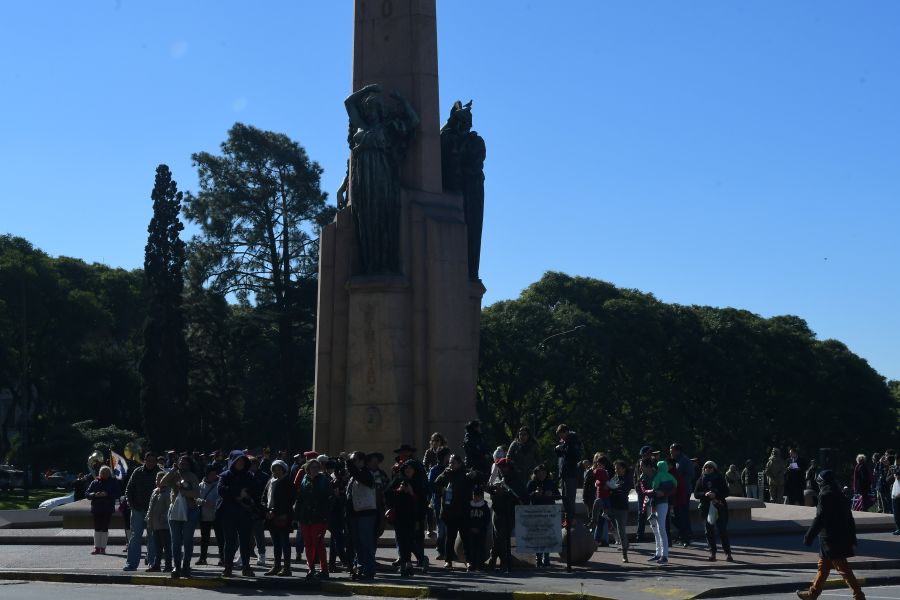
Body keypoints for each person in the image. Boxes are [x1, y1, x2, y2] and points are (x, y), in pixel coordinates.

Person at [796, 469, 866, 600]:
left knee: (842, 568)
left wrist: (809, 536)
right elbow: (849, 517)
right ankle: (812, 594)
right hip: (839, 536)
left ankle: (859, 595)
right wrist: (852, 536)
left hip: (831, 538)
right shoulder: (839, 493)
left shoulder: (825, 495)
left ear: (822, 482)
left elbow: (820, 518)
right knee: (823, 567)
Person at [385, 459, 429, 577]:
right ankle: (406, 564)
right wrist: (398, 490)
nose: (408, 471)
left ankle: (412, 562)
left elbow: (422, 501)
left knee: (410, 540)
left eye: (411, 469)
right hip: (399, 516)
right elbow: (387, 494)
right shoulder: (398, 480)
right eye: (406, 468)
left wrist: (411, 492)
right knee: (401, 540)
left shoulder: (418, 482)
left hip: (413, 517)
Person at [218, 450, 258, 577]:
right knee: (229, 542)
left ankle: (246, 567)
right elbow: (222, 491)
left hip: (245, 513)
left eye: (242, 460)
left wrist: (244, 497)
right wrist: (239, 494)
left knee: (245, 542)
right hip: (228, 514)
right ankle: (228, 567)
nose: (240, 463)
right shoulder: (225, 476)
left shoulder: (249, 476)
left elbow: (254, 492)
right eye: (238, 460)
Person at [160, 454, 201, 578]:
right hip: (175, 510)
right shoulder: (174, 474)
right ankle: (176, 566)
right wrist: (172, 470)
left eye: (185, 463)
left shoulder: (192, 476)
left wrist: (181, 491)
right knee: (176, 541)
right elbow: (162, 483)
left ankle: (186, 565)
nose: (182, 465)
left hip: (190, 510)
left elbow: (196, 493)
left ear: (189, 465)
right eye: (180, 462)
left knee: (187, 539)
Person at [433, 453, 476, 570]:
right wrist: (441, 490)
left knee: (466, 538)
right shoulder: (446, 474)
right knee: (450, 538)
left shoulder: (466, 473)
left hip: (463, 511)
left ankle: (469, 561)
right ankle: (448, 560)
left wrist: (475, 474)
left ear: (460, 463)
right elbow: (435, 485)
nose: (451, 465)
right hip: (449, 512)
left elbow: (480, 479)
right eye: (450, 462)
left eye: (453, 463)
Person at [488, 457, 527, 573]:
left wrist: (505, 494)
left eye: (503, 467)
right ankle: (495, 559)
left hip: (509, 513)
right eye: (499, 467)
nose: (501, 469)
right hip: (498, 511)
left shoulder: (516, 480)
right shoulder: (501, 479)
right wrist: (494, 491)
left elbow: (521, 498)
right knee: (496, 538)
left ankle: (504, 562)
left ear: (509, 468)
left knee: (503, 538)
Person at [296, 459, 333, 579]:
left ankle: (324, 569)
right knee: (308, 544)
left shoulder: (324, 481)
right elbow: (300, 499)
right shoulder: (304, 480)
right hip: (305, 517)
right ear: (308, 469)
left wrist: (325, 516)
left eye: (317, 467)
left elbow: (329, 500)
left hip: (319, 517)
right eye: (313, 467)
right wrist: (297, 515)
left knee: (319, 544)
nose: (315, 469)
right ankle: (310, 568)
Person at [123, 452, 160, 571]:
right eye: (148, 460)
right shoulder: (137, 472)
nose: (150, 463)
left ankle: (153, 563)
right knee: (135, 537)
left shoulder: (161, 473)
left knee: (152, 538)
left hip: (154, 511)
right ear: (144, 460)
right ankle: (131, 564)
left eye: (153, 461)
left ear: (156, 462)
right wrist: (132, 505)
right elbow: (128, 490)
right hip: (137, 510)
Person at [346, 451, 378, 581]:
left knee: (366, 543)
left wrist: (347, 462)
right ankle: (360, 567)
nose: (355, 463)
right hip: (355, 513)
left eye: (357, 460)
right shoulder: (353, 476)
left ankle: (369, 570)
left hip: (366, 514)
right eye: (353, 461)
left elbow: (359, 475)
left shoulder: (367, 474)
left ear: (363, 461)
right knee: (358, 543)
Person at [695, 461, 733, 562]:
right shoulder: (701, 479)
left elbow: (726, 492)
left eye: (710, 467)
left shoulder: (719, 478)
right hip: (706, 507)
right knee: (709, 531)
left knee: (722, 530)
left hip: (719, 506)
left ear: (714, 469)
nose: (708, 469)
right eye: (706, 467)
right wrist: (705, 494)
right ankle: (712, 553)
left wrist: (716, 493)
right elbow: (696, 494)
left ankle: (728, 553)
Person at [264, 460, 296, 576]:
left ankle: (287, 567)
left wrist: (276, 511)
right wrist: (267, 511)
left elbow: (290, 500)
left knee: (284, 542)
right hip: (271, 516)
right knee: (276, 542)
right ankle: (276, 566)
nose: (276, 471)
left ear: (283, 469)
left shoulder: (287, 482)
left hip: (283, 516)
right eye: (274, 468)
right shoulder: (270, 481)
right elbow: (264, 497)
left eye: (278, 468)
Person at [644, 459, 676, 565]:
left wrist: (659, 492)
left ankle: (664, 555)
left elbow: (652, 488)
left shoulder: (657, 476)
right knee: (657, 529)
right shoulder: (668, 476)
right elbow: (674, 485)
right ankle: (659, 553)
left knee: (661, 529)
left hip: (660, 503)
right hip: (658, 502)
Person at [527, 464, 559, 567]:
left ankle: (547, 558)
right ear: (535, 474)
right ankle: (538, 558)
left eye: (544, 473)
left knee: (548, 535)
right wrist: (534, 494)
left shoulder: (551, 482)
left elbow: (558, 495)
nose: (542, 475)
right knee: (538, 536)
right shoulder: (532, 483)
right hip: (537, 512)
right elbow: (525, 496)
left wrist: (551, 494)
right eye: (539, 473)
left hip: (549, 512)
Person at [86, 466, 120, 555]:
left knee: (105, 528)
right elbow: (87, 493)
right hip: (96, 509)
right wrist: (95, 494)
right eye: (102, 472)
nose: (104, 474)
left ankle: (103, 548)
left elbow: (117, 494)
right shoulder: (94, 482)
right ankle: (96, 547)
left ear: (109, 473)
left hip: (107, 509)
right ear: (99, 473)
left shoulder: (113, 482)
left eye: (106, 472)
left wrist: (107, 494)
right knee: (97, 528)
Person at [554, 424, 583, 526]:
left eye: (561, 434)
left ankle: (572, 518)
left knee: (570, 498)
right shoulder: (565, 442)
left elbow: (575, 457)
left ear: (566, 432)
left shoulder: (573, 441)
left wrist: (563, 448)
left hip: (571, 473)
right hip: (564, 473)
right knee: (565, 497)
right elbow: (561, 458)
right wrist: (558, 449)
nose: (560, 437)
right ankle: (568, 518)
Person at [146, 471, 172, 573]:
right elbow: (150, 507)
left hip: (164, 524)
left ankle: (168, 565)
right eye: (157, 479)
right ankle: (156, 565)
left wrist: (163, 517)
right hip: (154, 524)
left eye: (161, 479)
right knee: (157, 546)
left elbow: (169, 508)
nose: (158, 481)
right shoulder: (155, 492)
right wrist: (148, 518)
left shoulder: (168, 492)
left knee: (166, 546)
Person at [669, 443, 695, 546]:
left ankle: (687, 536)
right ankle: (682, 534)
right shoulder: (674, 461)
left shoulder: (685, 460)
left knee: (683, 514)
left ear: (678, 451)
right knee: (676, 515)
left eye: (672, 451)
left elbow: (690, 475)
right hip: (675, 492)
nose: (670, 453)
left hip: (684, 492)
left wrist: (679, 482)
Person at [196, 465, 223, 566]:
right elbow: (195, 499)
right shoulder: (200, 485)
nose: (213, 476)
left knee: (220, 537)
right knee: (204, 538)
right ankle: (202, 558)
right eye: (211, 474)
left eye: (214, 474)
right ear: (206, 475)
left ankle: (222, 558)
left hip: (217, 515)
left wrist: (216, 503)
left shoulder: (220, 484)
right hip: (204, 516)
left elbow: (222, 497)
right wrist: (203, 502)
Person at [428, 447, 452, 560]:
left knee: (449, 529)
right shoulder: (435, 470)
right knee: (441, 529)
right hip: (439, 503)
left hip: (451, 504)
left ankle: (449, 551)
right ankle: (441, 551)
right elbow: (431, 485)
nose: (450, 457)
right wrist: (440, 490)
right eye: (448, 455)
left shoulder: (451, 468)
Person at [607, 459, 633, 563]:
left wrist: (612, 489)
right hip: (612, 507)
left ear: (623, 468)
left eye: (618, 468)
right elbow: (609, 488)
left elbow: (623, 491)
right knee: (617, 528)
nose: (616, 470)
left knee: (621, 530)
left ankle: (624, 554)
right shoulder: (614, 477)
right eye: (615, 468)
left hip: (622, 508)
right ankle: (625, 544)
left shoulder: (627, 479)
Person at [464, 486, 491, 572]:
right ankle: (471, 564)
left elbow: (486, 520)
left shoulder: (485, 507)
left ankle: (480, 565)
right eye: (474, 495)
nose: (475, 497)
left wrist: (480, 528)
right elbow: (466, 518)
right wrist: (470, 527)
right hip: (470, 530)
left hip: (481, 531)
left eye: (477, 496)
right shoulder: (469, 505)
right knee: (471, 548)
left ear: (481, 496)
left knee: (480, 548)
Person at [589, 455, 611, 547]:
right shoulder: (603, 472)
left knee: (599, 520)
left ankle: (596, 538)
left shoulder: (601, 471)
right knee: (600, 521)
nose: (598, 465)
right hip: (603, 497)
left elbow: (593, 476)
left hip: (602, 496)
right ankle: (597, 539)